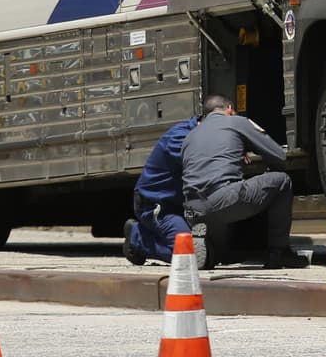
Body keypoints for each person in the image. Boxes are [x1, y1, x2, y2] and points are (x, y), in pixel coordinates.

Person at [181, 94, 308, 269]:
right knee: (282, 182)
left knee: (224, 253)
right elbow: (279, 155)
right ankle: (279, 252)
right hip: (225, 199)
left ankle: (211, 251)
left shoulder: (190, 136)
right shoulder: (237, 122)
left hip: (192, 210)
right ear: (230, 109)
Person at [123, 116, 198, 266]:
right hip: (156, 205)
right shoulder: (180, 137)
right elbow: (202, 164)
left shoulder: (198, 133)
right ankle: (136, 237)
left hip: (176, 204)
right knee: (186, 255)